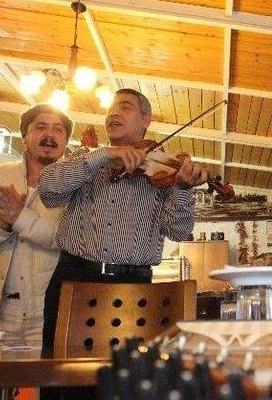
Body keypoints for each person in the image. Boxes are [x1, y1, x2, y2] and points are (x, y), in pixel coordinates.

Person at [38, 88, 208, 349]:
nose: (114, 112)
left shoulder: (165, 170)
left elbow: (179, 231)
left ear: (145, 120)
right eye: (111, 109)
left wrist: (183, 189)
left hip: (135, 288)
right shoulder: (83, 157)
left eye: (125, 106)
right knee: (61, 379)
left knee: (127, 379)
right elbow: (49, 190)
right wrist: (105, 154)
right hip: (74, 279)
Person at [0, 104, 72, 346]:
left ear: (66, 140)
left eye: (58, 130)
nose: (49, 136)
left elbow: (63, 239)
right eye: (40, 127)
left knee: (41, 382)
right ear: (24, 136)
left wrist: (18, 217)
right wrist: (1, 223)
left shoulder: (75, 185)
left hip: (48, 310)